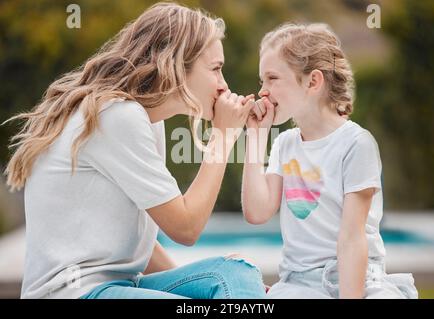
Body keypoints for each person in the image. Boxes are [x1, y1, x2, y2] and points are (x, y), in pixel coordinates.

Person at [2, 2, 266, 299]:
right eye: (216, 69)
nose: (223, 85)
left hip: (122, 287)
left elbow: (141, 243)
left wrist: (196, 286)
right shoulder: (116, 115)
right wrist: (224, 135)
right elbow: (186, 228)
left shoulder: (146, 119)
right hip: (75, 293)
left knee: (235, 274)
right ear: (177, 64)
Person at [241, 22, 418, 299]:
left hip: (360, 279)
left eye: (272, 79)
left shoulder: (356, 144)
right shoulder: (284, 144)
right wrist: (255, 136)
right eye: (262, 80)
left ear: (313, 81)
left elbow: (351, 239)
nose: (263, 91)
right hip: (299, 283)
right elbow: (257, 212)